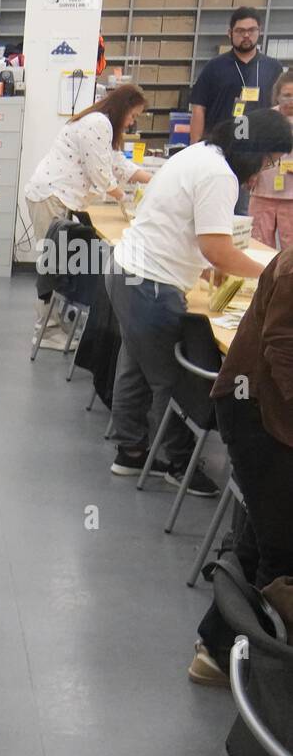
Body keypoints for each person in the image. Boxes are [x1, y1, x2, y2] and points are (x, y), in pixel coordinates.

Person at [106, 109, 292, 496]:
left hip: (129, 271)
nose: (268, 169)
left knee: (136, 366)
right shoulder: (219, 174)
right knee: (171, 380)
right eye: (270, 159)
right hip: (151, 284)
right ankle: (177, 461)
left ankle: (131, 451)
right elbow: (218, 249)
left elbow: (192, 233)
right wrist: (273, 276)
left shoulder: (199, 154)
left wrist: (205, 264)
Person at [188, 248, 293, 684]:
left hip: (270, 407)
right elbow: (285, 353)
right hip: (256, 408)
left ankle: (215, 650)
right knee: (284, 549)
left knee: (262, 529)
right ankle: (265, 684)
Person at [24, 84, 153, 347]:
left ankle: (55, 324)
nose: (131, 122)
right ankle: (46, 332)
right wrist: (124, 198)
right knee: (53, 265)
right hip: (51, 196)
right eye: (132, 115)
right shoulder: (98, 123)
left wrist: (155, 179)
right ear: (123, 107)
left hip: (58, 198)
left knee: (60, 264)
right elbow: (101, 172)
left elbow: (117, 164)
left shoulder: (103, 125)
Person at [189, 7, 282, 213]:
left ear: (260, 31)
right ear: (230, 33)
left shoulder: (273, 67)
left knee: (247, 217)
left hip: (257, 154)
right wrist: (194, 149)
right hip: (219, 151)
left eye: (251, 30)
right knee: (213, 210)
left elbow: (278, 113)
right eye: (240, 31)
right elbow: (198, 109)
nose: (246, 35)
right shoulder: (214, 67)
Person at [247, 71, 293, 249]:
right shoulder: (265, 119)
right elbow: (250, 151)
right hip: (263, 193)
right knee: (257, 244)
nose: (290, 100)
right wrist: (250, 173)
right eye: (287, 95)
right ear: (277, 96)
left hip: (291, 197)